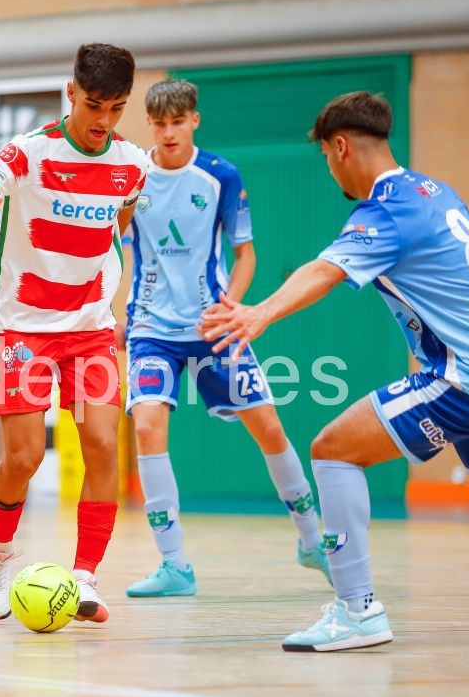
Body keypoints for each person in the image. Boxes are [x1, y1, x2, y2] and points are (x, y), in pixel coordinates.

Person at [200, 91, 469, 652]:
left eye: (325, 156)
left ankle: (357, 611)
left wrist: (260, 312)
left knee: (332, 449)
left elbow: (325, 269)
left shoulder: (385, 209)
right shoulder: (435, 192)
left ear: (340, 147)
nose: (329, 166)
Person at [0, 43, 150, 624]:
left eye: (116, 108)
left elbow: (122, 217)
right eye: (94, 105)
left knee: (105, 446)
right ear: (71, 93)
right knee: (25, 458)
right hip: (25, 328)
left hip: (90, 329)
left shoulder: (132, 165)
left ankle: (85, 577)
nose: (103, 121)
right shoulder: (30, 152)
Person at [122, 79, 332, 598]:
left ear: (194, 120)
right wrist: (118, 307)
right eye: (159, 123)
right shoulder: (130, 176)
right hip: (151, 329)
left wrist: (232, 307)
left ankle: (311, 540)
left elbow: (246, 254)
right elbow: (116, 246)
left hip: (213, 327)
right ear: (149, 124)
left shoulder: (221, 176)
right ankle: (174, 566)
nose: (169, 132)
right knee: (147, 429)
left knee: (269, 429)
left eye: (178, 121)